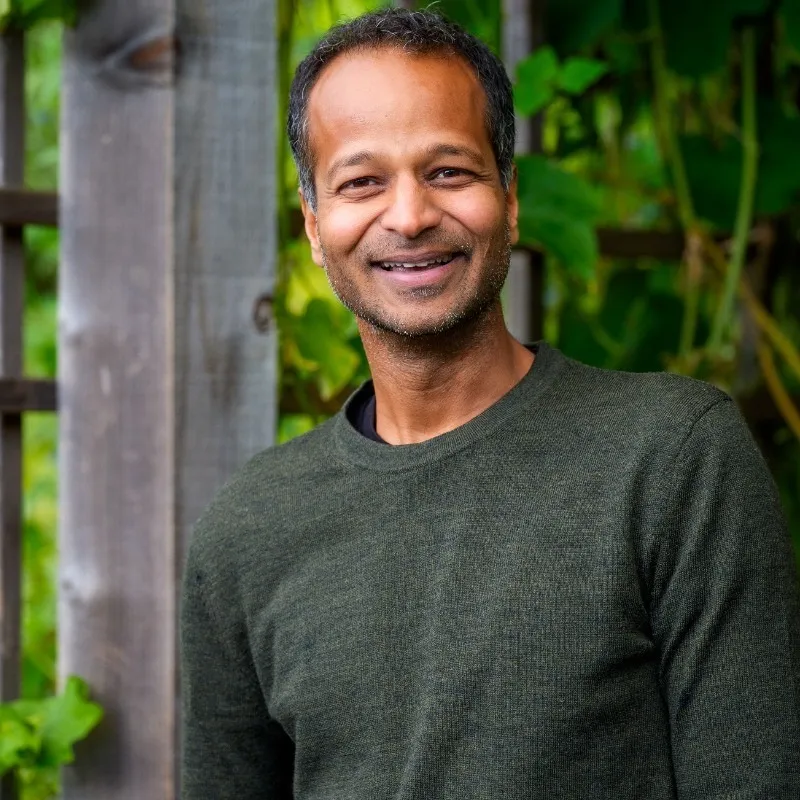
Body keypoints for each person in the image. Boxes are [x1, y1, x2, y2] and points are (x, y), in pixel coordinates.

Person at [180, 8, 800, 799]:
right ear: (314, 224)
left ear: (508, 198)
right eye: (361, 182)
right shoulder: (247, 532)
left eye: (448, 171)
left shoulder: (674, 457)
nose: (407, 216)